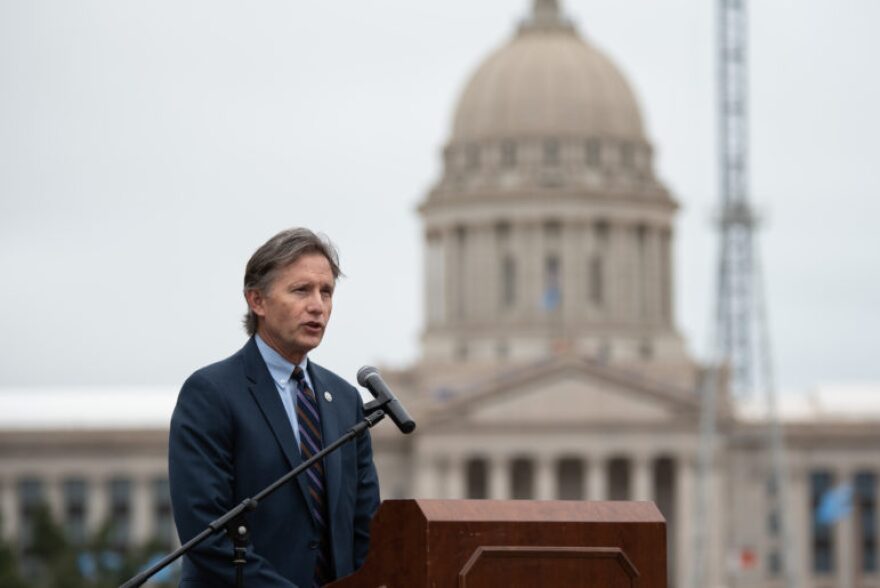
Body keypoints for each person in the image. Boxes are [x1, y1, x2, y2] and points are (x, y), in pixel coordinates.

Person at [169, 228, 380, 588]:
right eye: (301, 290)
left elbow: (366, 528)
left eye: (326, 292)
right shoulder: (212, 393)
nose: (318, 305)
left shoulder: (344, 400)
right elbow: (206, 532)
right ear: (257, 301)